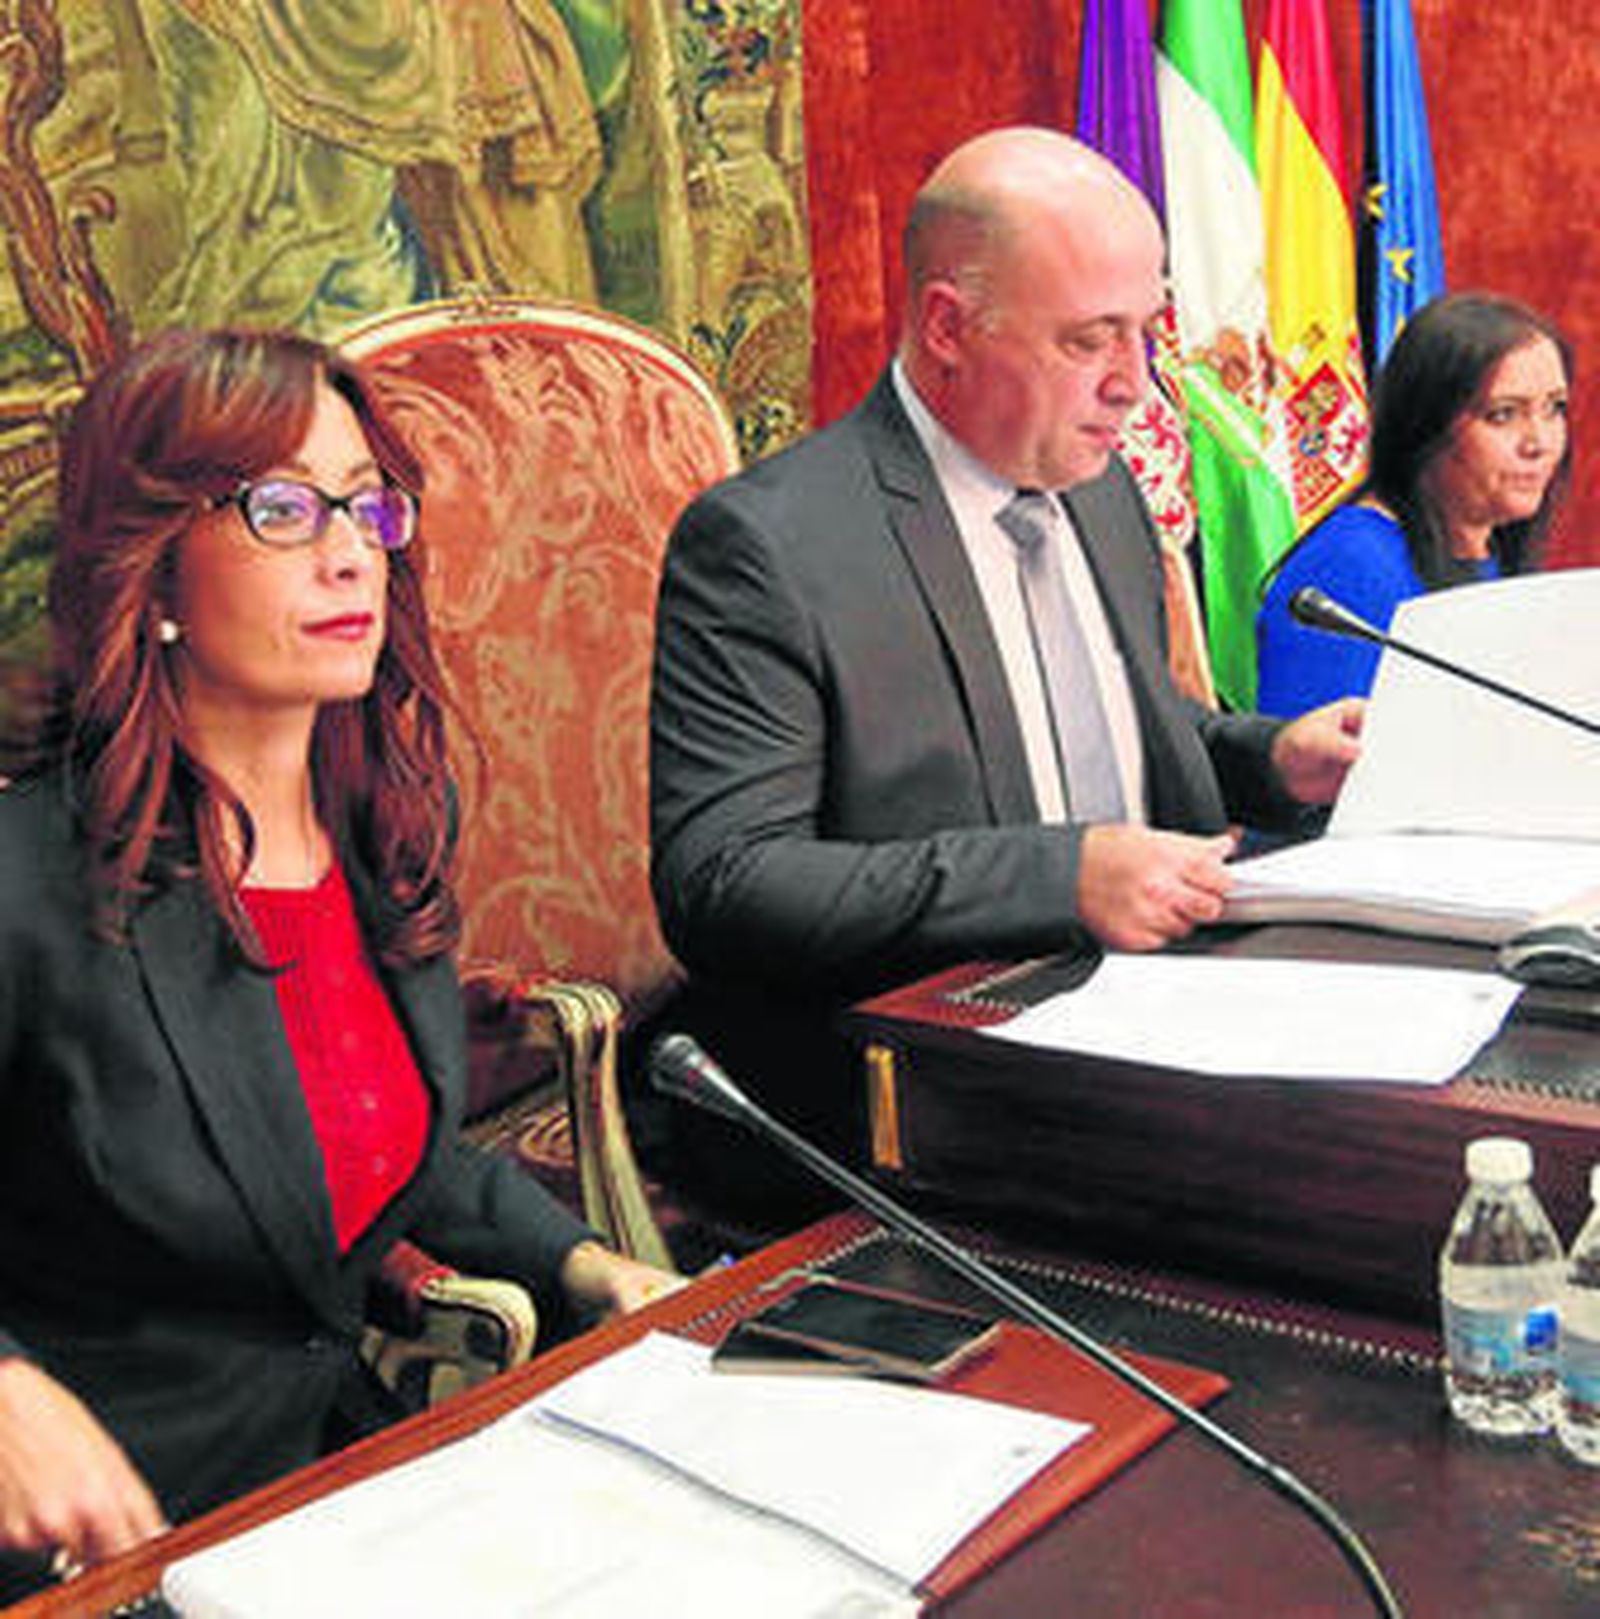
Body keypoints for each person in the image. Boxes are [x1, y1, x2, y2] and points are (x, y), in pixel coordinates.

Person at [0, 327, 677, 1598]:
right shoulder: (24, 878)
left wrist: (592, 1264)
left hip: (337, 1498)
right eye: (280, 506)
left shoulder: (381, 831)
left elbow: (362, 1140)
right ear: (147, 570)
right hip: (102, 1553)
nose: (348, 545)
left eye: (366, 502)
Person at [647, 127, 1361, 1195]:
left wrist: (1270, 761)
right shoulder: (772, 545)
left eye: (1146, 333)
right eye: (1090, 341)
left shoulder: (1102, 489)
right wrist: (1059, 874)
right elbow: (726, 882)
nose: (1136, 385)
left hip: (1155, 1031)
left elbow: (1121, 739)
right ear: (948, 324)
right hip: (909, 1102)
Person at [1256, 293, 1572, 716]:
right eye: (1503, 414)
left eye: (1554, 409)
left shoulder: (1488, 548)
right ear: (1425, 427)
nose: (1539, 442)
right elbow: (1318, 768)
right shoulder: (1349, 566)